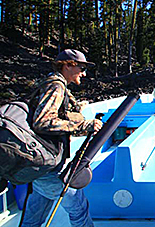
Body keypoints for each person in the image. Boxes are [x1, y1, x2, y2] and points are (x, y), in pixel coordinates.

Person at [21, 49, 103, 227]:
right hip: (48, 167)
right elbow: (43, 122)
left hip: (39, 166)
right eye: (81, 67)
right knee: (79, 208)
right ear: (67, 65)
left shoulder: (51, 84)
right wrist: (83, 125)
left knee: (34, 218)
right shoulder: (56, 87)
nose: (84, 72)